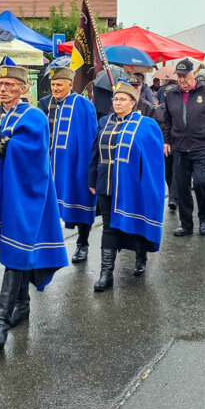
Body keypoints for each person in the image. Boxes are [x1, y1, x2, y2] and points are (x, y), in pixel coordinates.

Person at [0, 61, 68, 348]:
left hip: (27, 194)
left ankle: (1, 323)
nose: (3, 89)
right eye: (0, 84)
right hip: (0, 191)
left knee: (15, 253)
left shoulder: (34, 116)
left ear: (23, 87)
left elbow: (22, 153)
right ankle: (23, 305)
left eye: (9, 85)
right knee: (16, 249)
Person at [87, 81, 165, 290]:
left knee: (135, 223)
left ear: (133, 103)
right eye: (115, 99)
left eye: (123, 99)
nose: (118, 103)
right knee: (109, 227)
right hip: (106, 183)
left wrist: (148, 186)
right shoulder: (104, 122)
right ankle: (106, 274)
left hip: (133, 186)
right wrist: (92, 179)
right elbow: (95, 151)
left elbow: (152, 161)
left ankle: (141, 255)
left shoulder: (145, 125)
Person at [37, 66, 97, 265]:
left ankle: (82, 244)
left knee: (80, 201)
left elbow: (89, 139)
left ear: (70, 84)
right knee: (46, 206)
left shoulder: (83, 105)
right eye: (53, 84)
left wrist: (87, 169)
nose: (55, 88)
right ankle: (45, 245)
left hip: (74, 166)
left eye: (59, 84)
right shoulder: (45, 103)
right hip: (48, 164)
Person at [162, 58, 205, 237]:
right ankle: (186, 224)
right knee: (182, 188)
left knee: (201, 183)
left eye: (185, 76)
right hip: (180, 148)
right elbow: (167, 121)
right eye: (179, 76)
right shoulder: (172, 94)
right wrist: (166, 141)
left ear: (193, 74)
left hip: (202, 147)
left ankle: (204, 217)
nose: (182, 80)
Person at [156, 75, 181, 210]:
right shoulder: (158, 110)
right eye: (166, 93)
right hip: (163, 145)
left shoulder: (180, 109)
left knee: (176, 172)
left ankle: (173, 198)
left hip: (177, 144)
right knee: (168, 173)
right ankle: (174, 193)